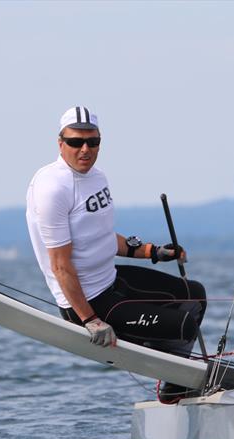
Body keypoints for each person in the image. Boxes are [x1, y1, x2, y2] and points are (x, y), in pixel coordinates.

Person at [26, 106, 206, 362]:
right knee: (185, 326)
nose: (85, 149)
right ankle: (171, 373)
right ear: (60, 143)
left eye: (92, 141)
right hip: (88, 303)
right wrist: (90, 320)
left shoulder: (97, 177)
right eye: (76, 142)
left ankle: (176, 385)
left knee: (195, 295)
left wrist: (152, 252)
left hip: (112, 280)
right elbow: (59, 265)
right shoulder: (52, 188)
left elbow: (102, 236)